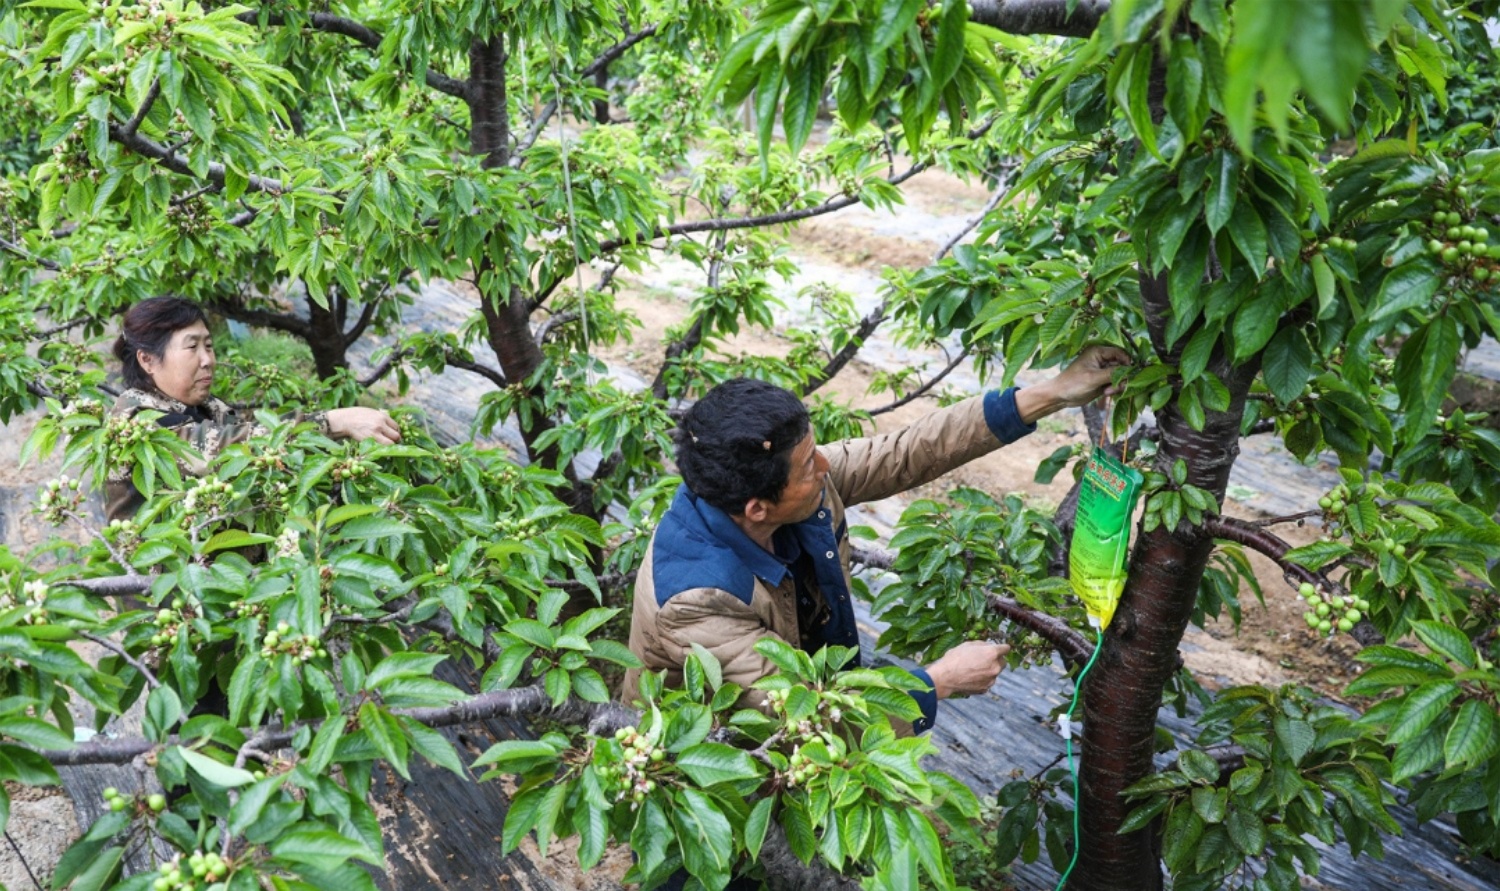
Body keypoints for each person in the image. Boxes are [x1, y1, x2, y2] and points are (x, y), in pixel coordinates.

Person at [621, 345, 1129, 736]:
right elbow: (812, 720)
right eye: (807, 465)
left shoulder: (780, 486)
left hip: (800, 709)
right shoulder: (698, 602)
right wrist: (939, 681)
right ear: (757, 508)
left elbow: (909, 451)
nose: (826, 466)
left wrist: (1054, 392)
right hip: (714, 769)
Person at [105, 296, 401, 521]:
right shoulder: (134, 418)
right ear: (148, 360)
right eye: (192, 347)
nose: (207, 359)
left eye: (208, 346)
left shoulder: (209, 407)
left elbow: (254, 441)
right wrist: (333, 421)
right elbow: (216, 451)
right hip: (164, 590)